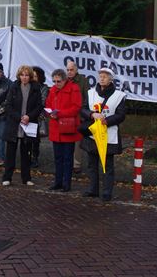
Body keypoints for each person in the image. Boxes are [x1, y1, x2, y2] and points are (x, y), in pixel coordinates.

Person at [80, 67, 126, 202]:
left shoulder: (119, 96)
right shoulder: (90, 93)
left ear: (111, 79)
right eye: (100, 76)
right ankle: (92, 189)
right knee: (91, 164)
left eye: (105, 76)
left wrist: (107, 121)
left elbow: (121, 115)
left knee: (107, 165)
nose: (102, 78)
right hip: (93, 134)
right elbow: (82, 109)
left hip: (109, 135)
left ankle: (107, 192)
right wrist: (91, 114)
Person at [1, 65, 43, 187]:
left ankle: (26, 178)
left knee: (26, 154)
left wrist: (29, 116)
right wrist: (19, 117)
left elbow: (39, 106)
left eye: (26, 75)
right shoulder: (13, 87)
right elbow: (8, 106)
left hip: (29, 124)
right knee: (10, 154)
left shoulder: (36, 88)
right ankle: (7, 177)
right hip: (14, 125)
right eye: (22, 75)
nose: (24, 77)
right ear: (19, 76)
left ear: (30, 77)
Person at [46, 68, 82, 192]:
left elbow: (76, 107)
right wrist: (50, 113)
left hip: (68, 128)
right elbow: (48, 104)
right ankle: (58, 181)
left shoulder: (74, 88)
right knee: (58, 157)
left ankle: (66, 183)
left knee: (67, 158)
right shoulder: (52, 90)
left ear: (64, 80)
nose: (56, 84)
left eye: (59, 81)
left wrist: (60, 114)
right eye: (54, 81)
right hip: (56, 128)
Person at [67, 60, 90, 174]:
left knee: (77, 142)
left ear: (76, 70)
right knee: (67, 140)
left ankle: (76, 164)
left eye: (71, 70)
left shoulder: (83, 81)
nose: (69, 72)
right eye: (68, 70)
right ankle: (68, 162)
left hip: (78, 116)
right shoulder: (65, 81)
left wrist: (83, 113)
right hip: (66, 116)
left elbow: (87, 98)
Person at [31, 66, 49, 168]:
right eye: (32, 76)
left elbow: (42, 102)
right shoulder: (27, 85)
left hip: (37, 117)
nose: (33, 78)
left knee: (35, 140)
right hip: (28, 116)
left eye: (35, 76)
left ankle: (35, 158)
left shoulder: (43, 88)